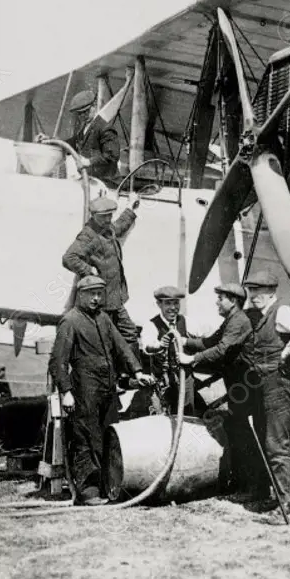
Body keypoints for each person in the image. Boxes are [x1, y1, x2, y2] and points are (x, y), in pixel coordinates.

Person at [48, 275, 153, 505]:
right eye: (92, 294)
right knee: (86, 438)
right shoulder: (70, 321)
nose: (96, 298)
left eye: (100, 294)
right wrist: (66, 391)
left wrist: (137, 372)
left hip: (108, 388)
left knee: (109, 435)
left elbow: (122, 346)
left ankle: (109, 486)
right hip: (84, 389)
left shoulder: (104, 318)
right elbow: (58, 361)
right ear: (81, 294)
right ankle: (89, 491)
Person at [238, 270, 290, 514]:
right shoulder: (257, 316)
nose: (253, 295)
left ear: (271, 292)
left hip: (280, 385)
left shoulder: (281, 312)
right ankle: (279, 494)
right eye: (251, 290)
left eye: (259, 290)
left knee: (276, 442)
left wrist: (285, 354)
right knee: (266, 438)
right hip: (263, 386)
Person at [178, 283, 258, 495]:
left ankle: (252, 484)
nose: (217, 302)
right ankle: (243, 481)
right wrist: (185, 340)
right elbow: (211, 341)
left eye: (221, 298)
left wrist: (192, 358)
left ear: (233, 302)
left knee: (245, 432)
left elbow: (222, 350)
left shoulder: (239, 321)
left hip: (246, 385)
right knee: (239, 429)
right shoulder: (231, 320)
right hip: (238, 384)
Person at [62, 195, 142, 355]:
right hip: (100, 301)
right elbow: (69, 258)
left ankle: (132, 375)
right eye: (103, 216)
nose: (108, 219)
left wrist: (130, 209)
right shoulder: (88, 235)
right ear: (94, 216)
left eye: (110, 215)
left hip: (115, 298)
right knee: (102, 343)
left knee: (130, 333)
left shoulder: (107, 229)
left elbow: (119, 226)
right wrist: (89, 271)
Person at [140, 285, 199, 415]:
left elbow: (205, 337)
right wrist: (159, 346)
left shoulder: (186, 321)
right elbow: (147, 346)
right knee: (163, 417)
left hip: (185, 379)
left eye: (176, 303)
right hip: (163, 382)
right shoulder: (151, 325)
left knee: (187, 415)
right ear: (159, 304)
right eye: (168, 303)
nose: (173, 308)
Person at [59, 89, 121, 182]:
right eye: (80, 114)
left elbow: (112, 155)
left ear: (94, 105)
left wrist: (88, 162)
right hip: (90, 180)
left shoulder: (105, 128)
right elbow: (71, 144)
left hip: (107, 182)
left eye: (86, 112)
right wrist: (51, 141)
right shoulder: (84, 129)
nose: (83, 116)